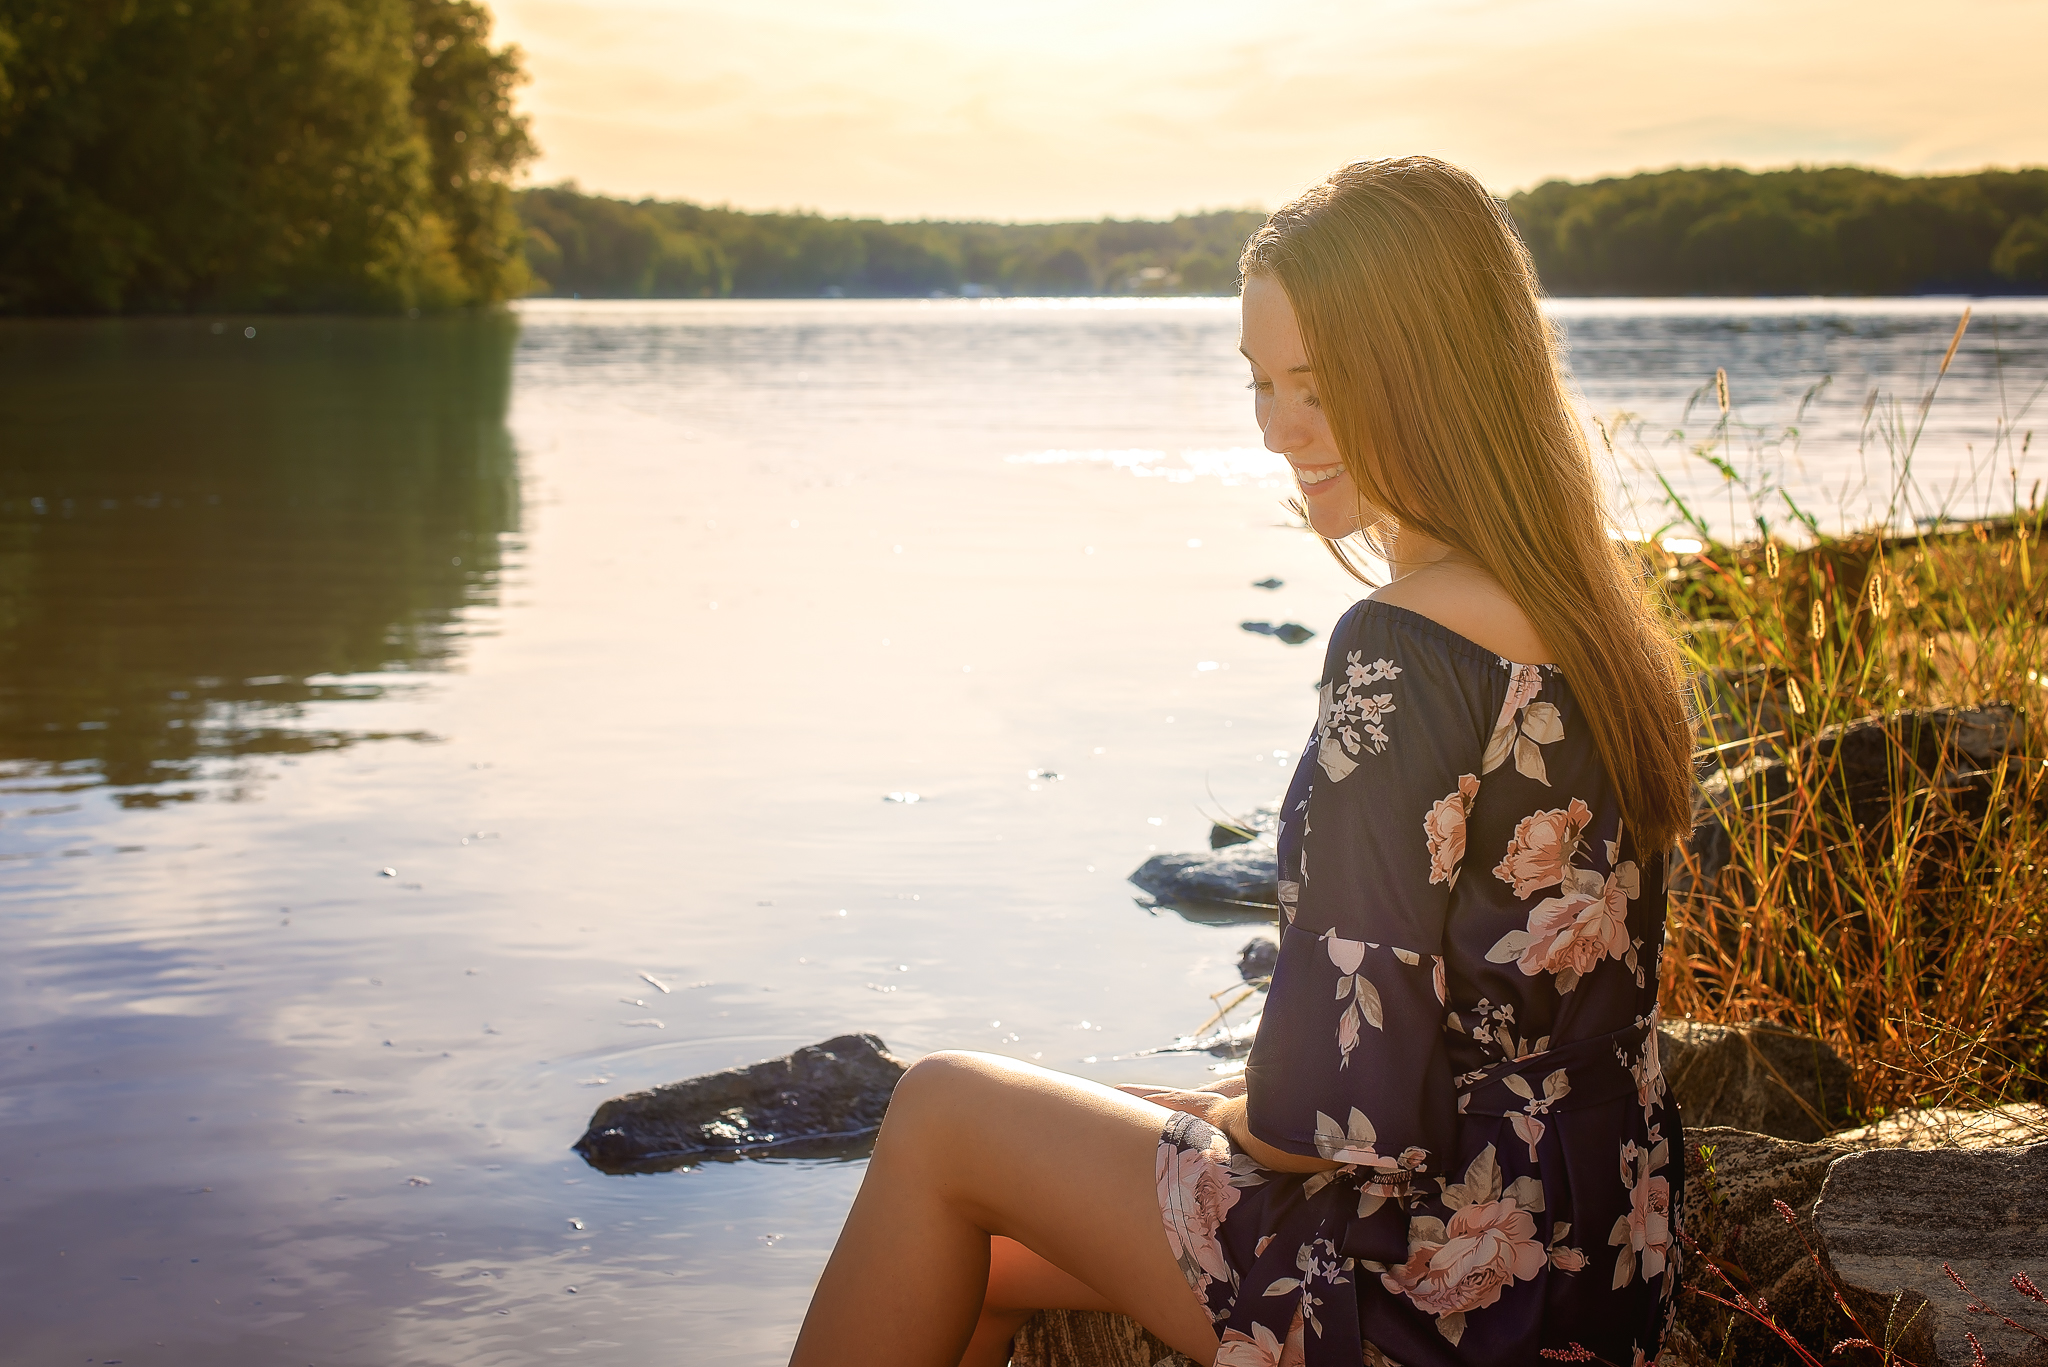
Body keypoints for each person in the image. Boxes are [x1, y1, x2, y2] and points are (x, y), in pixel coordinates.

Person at [789, 155, 1696, 1367]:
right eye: (1260, 383)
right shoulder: (1585, 614)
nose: (1275, 428)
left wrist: (1220, 1114)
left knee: (941, 1112)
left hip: (1440, 1288)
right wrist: (1215, 1115)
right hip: (1594, 1255)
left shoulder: (1408, 640)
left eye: (1314, 387)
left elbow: (1338, 1100)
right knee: (986, 1247)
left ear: (1426, 374)